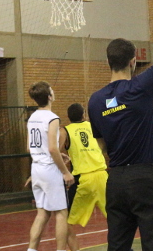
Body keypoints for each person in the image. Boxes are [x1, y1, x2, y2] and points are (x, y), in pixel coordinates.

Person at [87, 0, 153, 251]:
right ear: (133, 62)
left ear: (109, 62)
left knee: (117, 246)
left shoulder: (95, 101)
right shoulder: (140, 87)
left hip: (115, 181)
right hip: (145, 178)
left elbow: (101, 144)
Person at [26, 81, 74, 251]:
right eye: (52, 90)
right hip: (49, 170)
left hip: (36, 168)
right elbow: (53, 148)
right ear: (49, 96)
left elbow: (29, 147)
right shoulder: (52, 118)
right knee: (61, 213)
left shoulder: (32, 117)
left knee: (42, 213)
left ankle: (31, 249)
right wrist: (65, 172)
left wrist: (51, 154)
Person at [59, 103, 108, 251]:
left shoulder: (65, 131)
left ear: (68, 117)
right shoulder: (94, 126)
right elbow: (105, 146)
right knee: (116, 217)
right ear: (84, 114)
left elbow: (55, 151)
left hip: (83, 179)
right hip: (102, 176)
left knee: (64, 220)